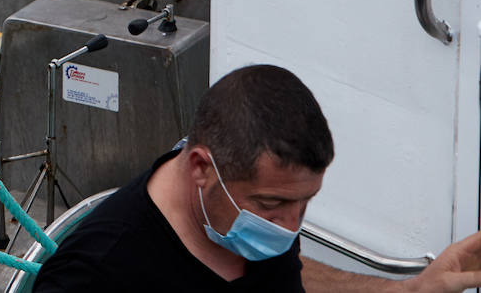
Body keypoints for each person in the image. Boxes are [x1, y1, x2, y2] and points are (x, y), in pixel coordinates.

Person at [33, 64, 481, 292]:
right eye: (271, 205)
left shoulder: (243, 224)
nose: (290, 225)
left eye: (305, 204)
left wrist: (412, 288)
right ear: (201, 169)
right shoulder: (95, 275)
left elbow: (289, 279)